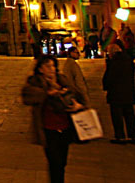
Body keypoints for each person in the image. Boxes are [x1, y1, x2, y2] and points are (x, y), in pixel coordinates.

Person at [22, 55, 83, 183]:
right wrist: (46, 93)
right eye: (47, 66)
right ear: (40, 69)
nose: (51, 69)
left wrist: (77, 105)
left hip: (65, 127)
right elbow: (27, 97)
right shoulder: (35, 82)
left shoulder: (62, 80)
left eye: (53, 66)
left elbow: (78, 95)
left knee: (62, 162)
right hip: (48, 129)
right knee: (55, 163)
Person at [102, 43, 135, 145]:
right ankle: (134, 136)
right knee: (130, 115)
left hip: (116, 94)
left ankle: (120, 136)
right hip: (128, 92)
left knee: (117, 117)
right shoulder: (128, 60)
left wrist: (106, 86)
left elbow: (110, 77)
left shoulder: (114, 62)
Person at [58, 41, 89, 106]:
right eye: (77, 53)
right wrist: (84, 94)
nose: (79, 55)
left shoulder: (67, 63)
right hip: (76, 93)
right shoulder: (72, 64)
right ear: (71, 53)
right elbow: (79, 80)